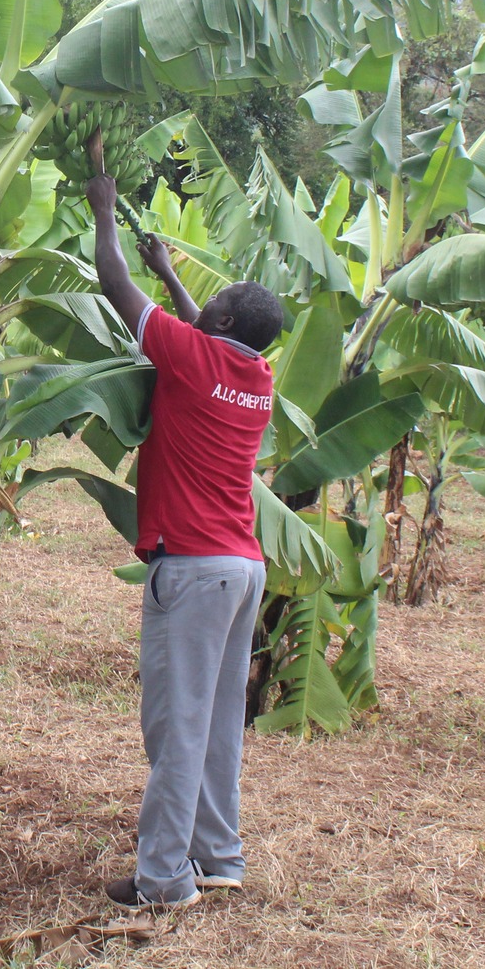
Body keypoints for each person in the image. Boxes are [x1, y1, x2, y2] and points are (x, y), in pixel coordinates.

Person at [83, 130, 284, 911]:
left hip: (194, 569)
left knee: (176, 726)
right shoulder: (253, 373)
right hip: (243, 569)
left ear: (222, 319)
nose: (212, 300)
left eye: (218, 294)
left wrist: (104, 206)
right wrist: (171, 268)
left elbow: (111, 282)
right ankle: (219, 855)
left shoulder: (193, 358)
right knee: (220, 721)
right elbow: (205, 326)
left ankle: (164, 878)